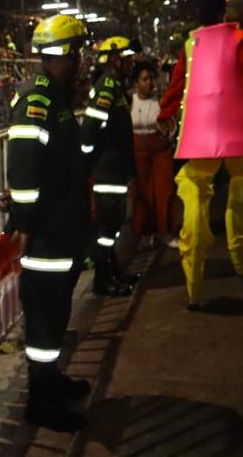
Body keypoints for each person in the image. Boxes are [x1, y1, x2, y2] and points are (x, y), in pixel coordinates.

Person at [158, 0, 243, 314]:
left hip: (199, 130)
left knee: (195, 194)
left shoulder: (190, 44)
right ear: (223, 11)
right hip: (239, 126)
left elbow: (176, 87)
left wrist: (165, 113)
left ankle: (193, 289)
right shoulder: (239, 38)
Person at [6, 14, 96, 433]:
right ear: (63, 55)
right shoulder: (38, 97)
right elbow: (23, 166)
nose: (80, 61)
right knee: (43, 319)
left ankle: (51, 380)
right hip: (45, 233)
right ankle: (40, 402)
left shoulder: (57, 96)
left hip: (64, 229)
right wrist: (24, 221)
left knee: (57, 312)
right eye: (75, 53)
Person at [83, 35, 138, 297]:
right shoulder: (108, 86)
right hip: (108, 168)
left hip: (115, 167)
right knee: (107, 227)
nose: (132, 63)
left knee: (114, 223)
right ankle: (102, 280)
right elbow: (91, 127)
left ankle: (113, 272)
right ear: (116, 60)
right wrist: (88, 159)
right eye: (128, 58)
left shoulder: (114, 85)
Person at [128, 61, 178, 247]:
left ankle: (167, 232)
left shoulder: (160, 101)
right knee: (143, 194)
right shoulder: (128, 102)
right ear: (136, 83)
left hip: (160, 151)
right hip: (138, 152)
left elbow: (171, 124)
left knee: (165, 191)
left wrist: (167, 132)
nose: (149, 83)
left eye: (151, 79)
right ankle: (145, 233)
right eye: (144, 79)